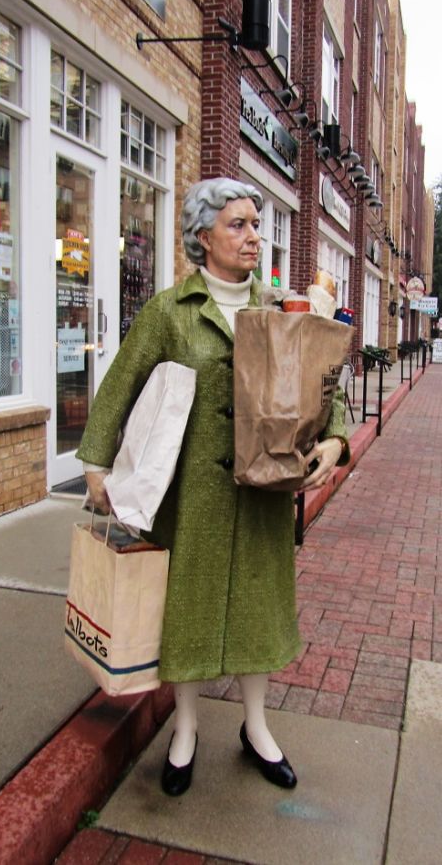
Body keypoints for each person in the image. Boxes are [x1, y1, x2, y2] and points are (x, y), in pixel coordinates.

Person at [77, 177, 349, 797]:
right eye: (239, 224)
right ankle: (187, 728)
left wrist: (334, 441)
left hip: (263, 494)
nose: (255, 236)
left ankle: (256, 728)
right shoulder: (171, 313)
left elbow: (322, 382)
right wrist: (96, 465)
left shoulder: (282, 312)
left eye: (257, 224)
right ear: (203, 237)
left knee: (257, 608)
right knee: (189, 612)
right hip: (190, 496)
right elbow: (119, 385)